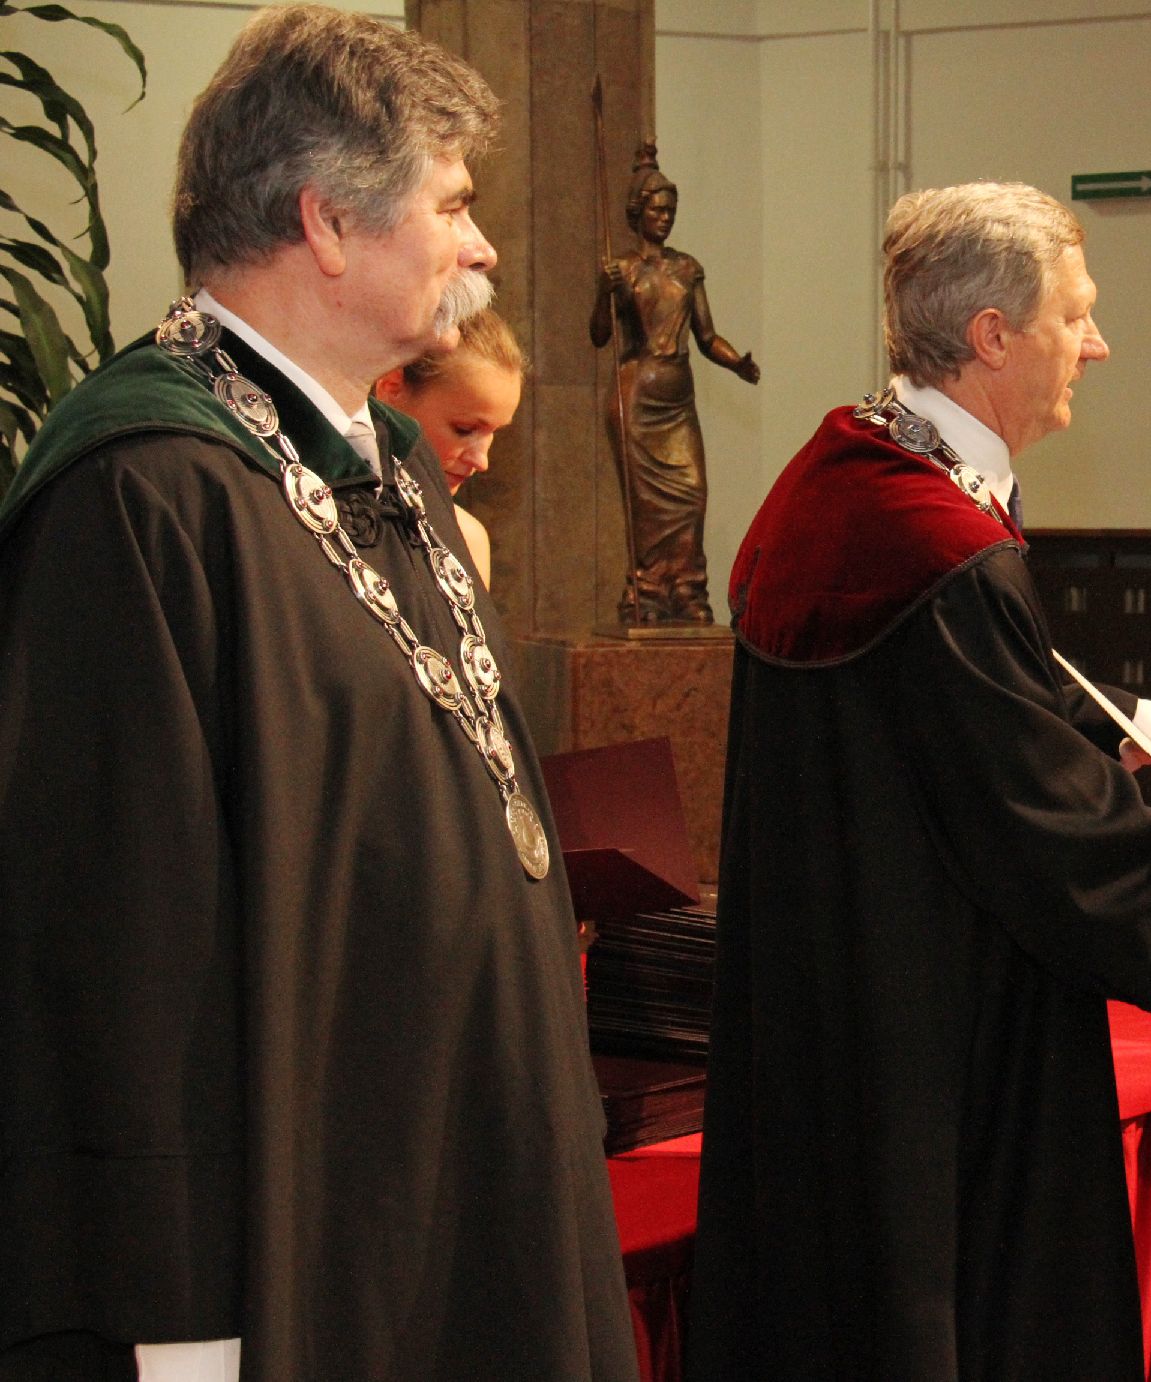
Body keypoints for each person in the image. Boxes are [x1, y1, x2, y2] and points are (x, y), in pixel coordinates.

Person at [0, 8, 637, 1380]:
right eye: (452, 205)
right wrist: (180, 1312)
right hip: (302, 1240)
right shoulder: (143, 491)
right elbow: (119, 944)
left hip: (463, 1165)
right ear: (328, 223)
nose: (482, 247)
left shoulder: (388, 460)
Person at [690, 181, 1151, 1381]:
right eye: (1076, 314)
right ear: (991, 336)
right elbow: (1053, 832)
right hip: (940, 1050)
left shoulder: (844, 475)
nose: (1096, 344)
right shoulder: (934, 540)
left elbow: (956, 732)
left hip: (833, 1019)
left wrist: (1120, 732)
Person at [589, 141, 759, 626]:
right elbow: (599, 336)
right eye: (657, 210)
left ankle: (687, 590)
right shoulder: (621, 270)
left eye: (671, 211)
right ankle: (646, 594)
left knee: (692, 495)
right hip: (637, 397)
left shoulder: (687, 268)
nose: (665, 218)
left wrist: (737, 363)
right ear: (637, 213)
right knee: (644, 509)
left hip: (677, 398)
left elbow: (707, 337)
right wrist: (604, 294)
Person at [374, 306, 524, 585]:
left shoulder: (469, 540)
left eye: (494, 433)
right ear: (391, 387)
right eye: (464, 429)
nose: (482, 461)